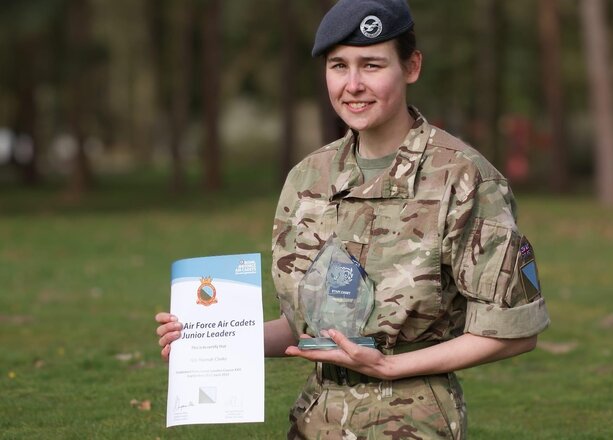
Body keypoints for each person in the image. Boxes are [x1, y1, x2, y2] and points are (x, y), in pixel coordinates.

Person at [156, 0, 550, 438]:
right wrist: (214, 338)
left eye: (372, 65)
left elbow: (514, 329)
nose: (354, 84)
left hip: (412, 422)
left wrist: (389, 365)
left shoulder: (463, 178)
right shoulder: (309, 178)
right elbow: (310, 325)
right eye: (339, 65)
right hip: (315, 420)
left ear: (412, 66)